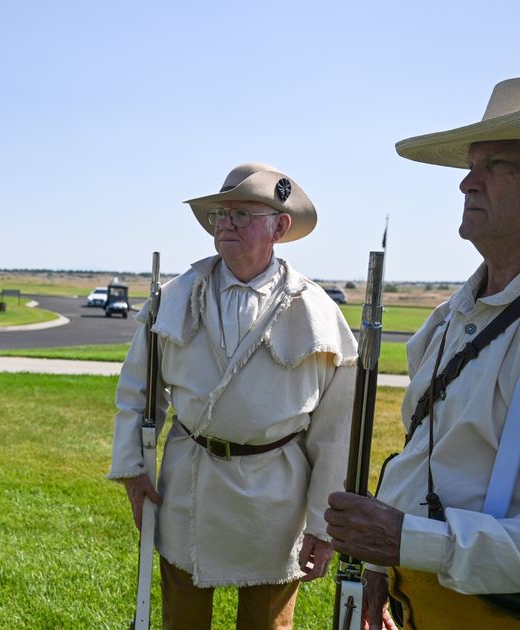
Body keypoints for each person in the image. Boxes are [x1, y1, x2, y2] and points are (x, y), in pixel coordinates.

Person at [324, 76, 520, 628]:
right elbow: (427, 455)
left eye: (499, 165)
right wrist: (380, 563)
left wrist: (409, 542)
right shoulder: (453, 314)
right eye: (472, 165)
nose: (467, 183)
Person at [109, 163, 358, 629]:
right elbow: (136, 390)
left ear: (279, 227)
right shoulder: (172, 299)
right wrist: (134, 469)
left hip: (276, 496)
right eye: (221, 215)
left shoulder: (319, 315)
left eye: (241, 214)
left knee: (266, 623)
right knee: (181, 618)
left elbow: (336, 433)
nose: (225, 224)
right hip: (189, 483)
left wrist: (322, 526)